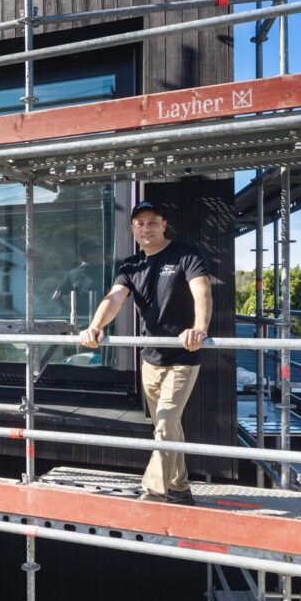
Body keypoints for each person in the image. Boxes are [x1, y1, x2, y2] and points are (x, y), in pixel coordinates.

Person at [79, 201, 212, 504]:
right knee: (168, 425)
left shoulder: (186, 254)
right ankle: (179, 487)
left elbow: (202, 290)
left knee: (164, 424)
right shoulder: (131, 265)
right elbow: (114, 298)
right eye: (139, 224)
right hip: (150, 359)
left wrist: (199, 328)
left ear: (164, 225)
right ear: (132, 229)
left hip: (182, 357)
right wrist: (95, 326)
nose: (146, 228)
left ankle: (154, 492)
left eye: (152, 222)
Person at [51, 240, 104, 320]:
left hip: (82, 320)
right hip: (98, 320)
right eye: (97, 251)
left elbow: (56, 297)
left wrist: (72, 313)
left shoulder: (72, 273)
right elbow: (56, 297)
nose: (101, 254)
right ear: (89, 254)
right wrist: (71, 312)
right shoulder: (103, 271)